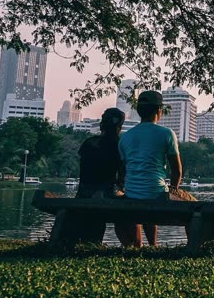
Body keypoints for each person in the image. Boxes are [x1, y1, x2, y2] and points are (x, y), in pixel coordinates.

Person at [117, 90, 184, 247]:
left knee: (143, 198)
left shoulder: (125, 137)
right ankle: (153, 245)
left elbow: (123, 171)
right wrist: (174, 189)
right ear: (159, 110)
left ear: (139, 111)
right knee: (162, 193)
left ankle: (141, 245)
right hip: (157, 194)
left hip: (132, 194)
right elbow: (177, 171)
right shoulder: (167, 134)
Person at [75, 108, 138, 246]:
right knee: (131, 206)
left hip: (84, 193)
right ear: (120, 127)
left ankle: (90, 242)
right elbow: (122, 175)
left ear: (101, 125)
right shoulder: (121, 145)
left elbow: (83, 171)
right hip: (108, 193)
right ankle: (134, 245)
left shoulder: (89, 143)